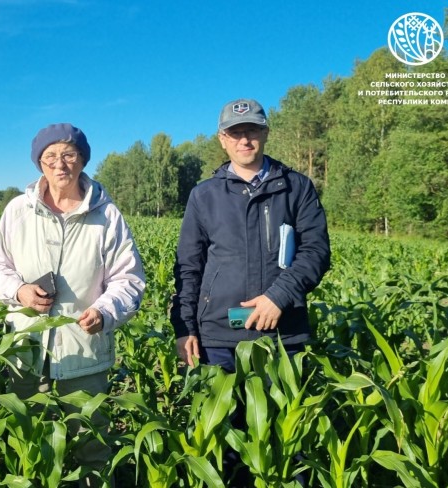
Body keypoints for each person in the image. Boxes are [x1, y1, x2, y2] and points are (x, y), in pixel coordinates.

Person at [170, 99, 331, 485]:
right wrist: (183, 327)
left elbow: (316, 252)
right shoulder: (204, 195)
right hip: (218, 339)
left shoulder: (296, 187)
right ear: (223, 140)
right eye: (235, 132)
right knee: (220, 442)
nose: (245, 139)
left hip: (283, 337)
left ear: (265, 134)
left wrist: (279, 296)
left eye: (252, 130)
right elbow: (188, 267)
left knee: (283, 441)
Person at [0, 122, 145, 485]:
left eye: (69, 155)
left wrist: (104, 312)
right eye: (50, 156)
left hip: (84, 352)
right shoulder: (17, 211)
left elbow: (129, 278)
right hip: (26, 351)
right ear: (39, 163)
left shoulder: (107, 215)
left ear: (83, 160)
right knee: (28, 442)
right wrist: (19, 291)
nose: (60, 164)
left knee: (92, 443)